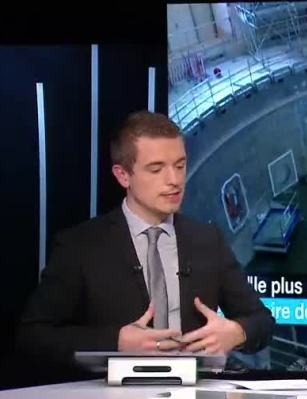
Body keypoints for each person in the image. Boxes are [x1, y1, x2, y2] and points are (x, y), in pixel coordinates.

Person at [16, 110, 274, 377]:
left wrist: (237, 333)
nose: (174, 180)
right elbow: (33, 337)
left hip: (197, 395)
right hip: (109, 397)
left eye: (180, 165)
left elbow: (262, 320)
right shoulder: (80, 246)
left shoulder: (208, 240)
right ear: (123, 176)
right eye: (156, 169)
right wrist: (116, 342)